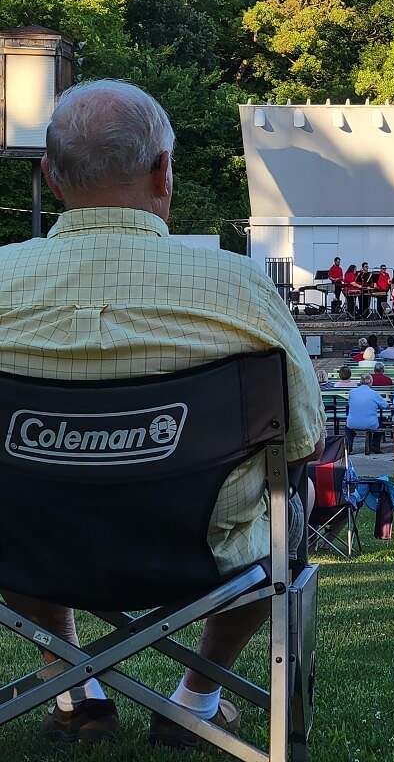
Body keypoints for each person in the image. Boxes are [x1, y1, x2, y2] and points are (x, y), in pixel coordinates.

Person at [0, 80, 326, 746]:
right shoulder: (238, 287)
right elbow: (302, 441)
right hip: (196, 554)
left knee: (17, 505)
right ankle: (197, 699)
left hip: (22, 548)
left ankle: (72, 683)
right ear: (162, 170)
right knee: (288, 500)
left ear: (50, 177)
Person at [346, 375, 388, 453]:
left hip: (352, 423)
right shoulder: (373, 393)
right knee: (382, 422)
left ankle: (348, 446)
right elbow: (385, 405)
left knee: (348, 427)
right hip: (370, 423)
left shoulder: (352, 393)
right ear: (371, 382)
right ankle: (375, 446)